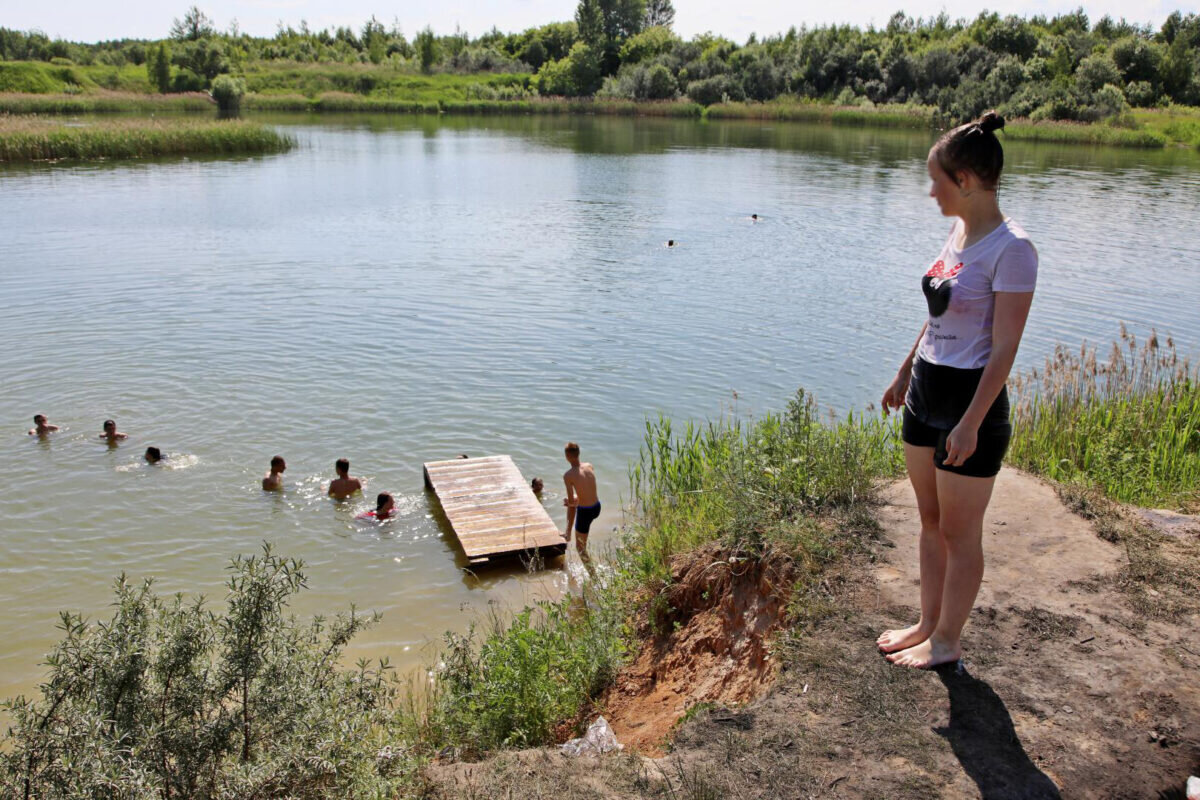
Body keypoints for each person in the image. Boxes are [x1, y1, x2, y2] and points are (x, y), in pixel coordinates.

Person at [877, 111, 1037, 670]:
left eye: (937, 181)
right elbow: (939, 311)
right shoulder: (959, 231)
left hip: (971, 402)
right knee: (928, 521)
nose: (930, 192)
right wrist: (904, 370)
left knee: (960, 532)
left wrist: (972, 421)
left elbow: (1005, 349)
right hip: (926, 390)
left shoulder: (1013, 249)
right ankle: (925, 623)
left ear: (965, 180)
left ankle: (947, 641)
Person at [562, 442, 600, 556]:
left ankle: (593, 574)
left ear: (567, 457)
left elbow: (572, 503)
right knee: (572, 500)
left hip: (586, 512)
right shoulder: (589, 466)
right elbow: (587, 489)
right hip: (597, 507)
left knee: (580, 548)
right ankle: (568, 533)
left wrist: (568, 502)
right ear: (579, 453)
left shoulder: (568, 475)